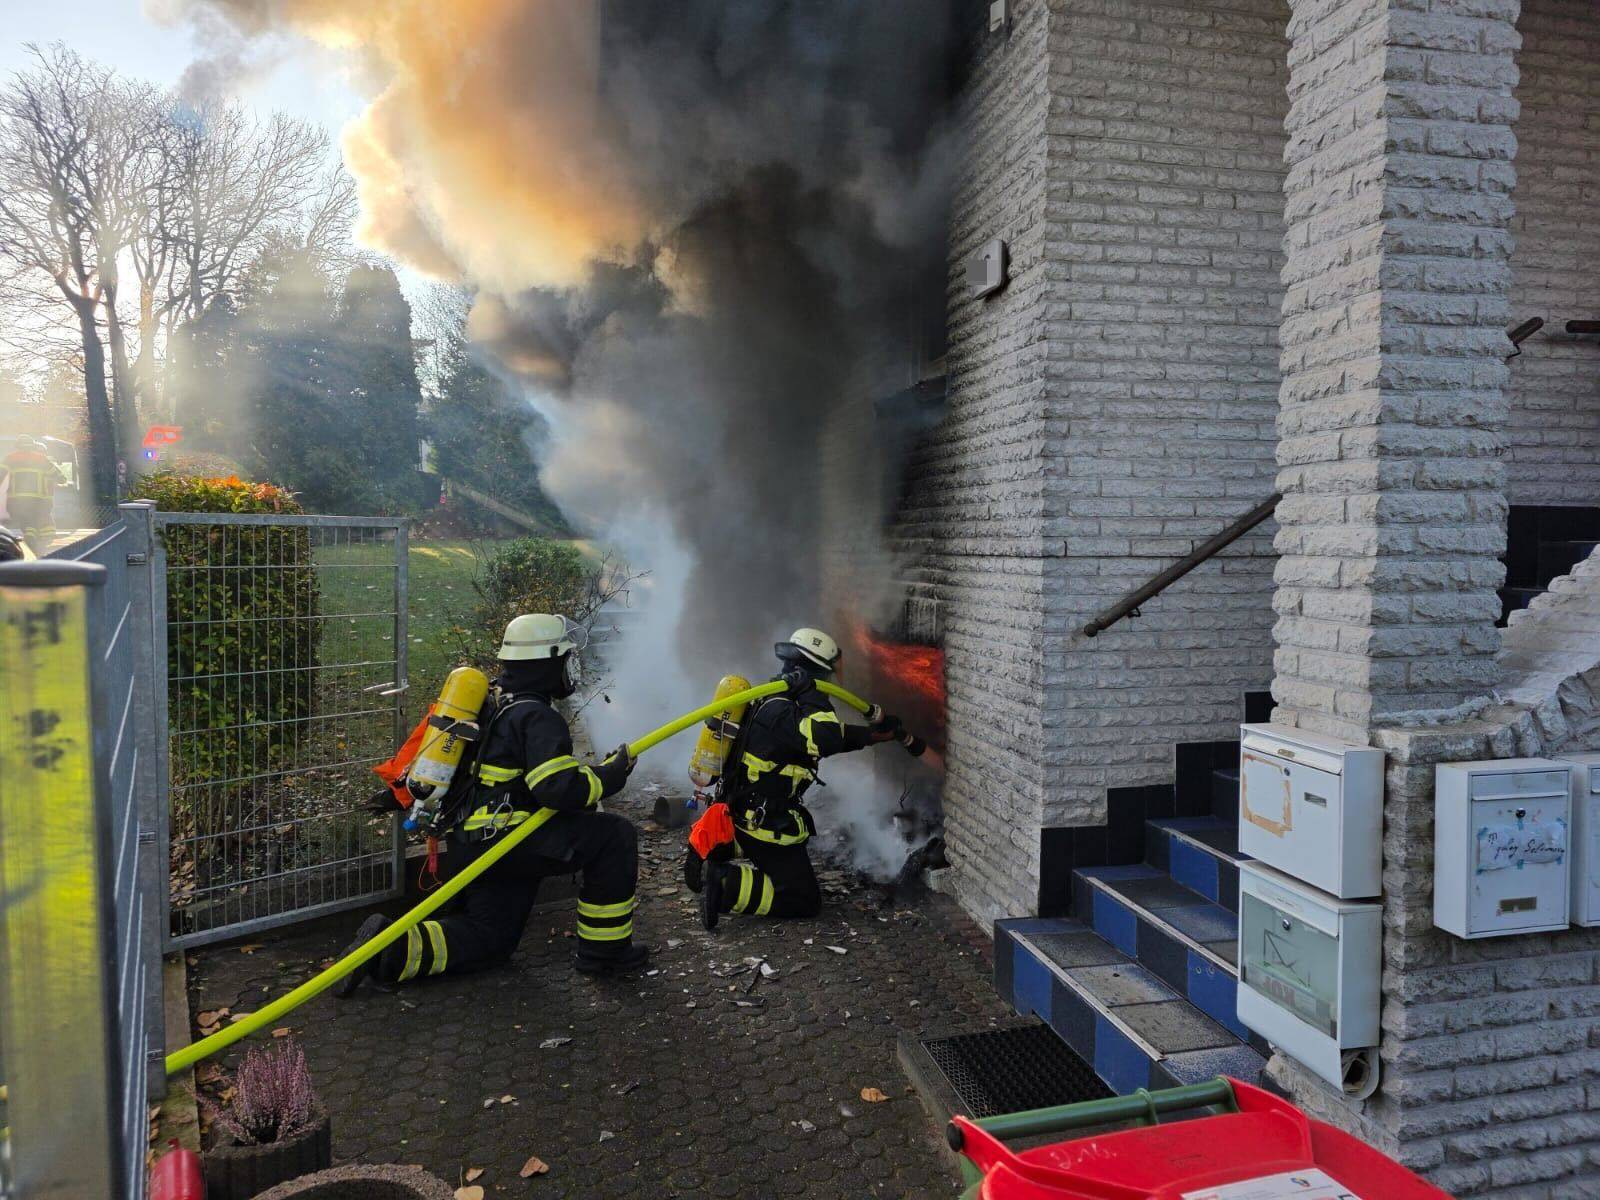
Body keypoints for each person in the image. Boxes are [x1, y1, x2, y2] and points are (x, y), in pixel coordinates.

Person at [337, 613, 648, 991]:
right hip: (511, 844)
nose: (571, 666)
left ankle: (388, 951)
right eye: (565, 657)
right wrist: (610, 775)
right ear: (547, 663)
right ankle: (605, 954)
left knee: (489, 940)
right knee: (614, 835)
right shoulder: (537, 716)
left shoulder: (492, 703)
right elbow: (557, 789)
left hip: (474, 846)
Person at [685, 627, 905, 929]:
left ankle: (720, 847)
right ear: (813, 673)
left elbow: (828, 737)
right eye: (825, 677)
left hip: (745, 812)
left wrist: (873, 736)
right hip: (763, 824)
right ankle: (724, 885)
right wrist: (812, 693)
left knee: (793, 863)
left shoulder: (777, 701)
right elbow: (823, 737)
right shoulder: (787, 711)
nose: (829, 685)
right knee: (803, 900)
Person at [0, 437, 68, 552]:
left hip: (16, 498)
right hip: (38, 498)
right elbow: (56, 474)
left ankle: (31, 534)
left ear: (18, 446)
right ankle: (35, 535)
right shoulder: (41, 458)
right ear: (32, 445)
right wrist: (63, 479)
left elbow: (1, 473)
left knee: (23, 516)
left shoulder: (10, 458)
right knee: (36, 516)